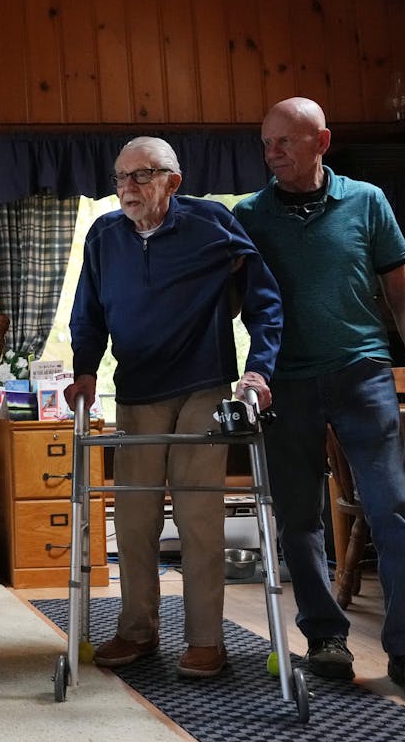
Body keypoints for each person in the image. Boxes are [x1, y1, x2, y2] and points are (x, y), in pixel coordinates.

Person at [233, 97, 405, 699]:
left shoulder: (366, 201)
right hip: (287, 384)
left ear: (321, 142)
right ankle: (325, 637)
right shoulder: (250, 215)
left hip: (363, 375)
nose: (272, 152)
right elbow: (227, 299)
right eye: (266, 142)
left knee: (394, 510)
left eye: (285, 141)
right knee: (298, 518)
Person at [65, 136, 282, 679]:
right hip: (136, 390)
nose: (127, 189)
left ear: (172, 181)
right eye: (120, 179)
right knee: (135, 520)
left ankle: (206, 640)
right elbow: (87, 312)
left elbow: (263, 300)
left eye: (141, 176)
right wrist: (85, 369)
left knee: (198, 517)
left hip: (202, 387)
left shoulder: (212, 224)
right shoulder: (104, 235)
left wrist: (259, 369)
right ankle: (137, 631)